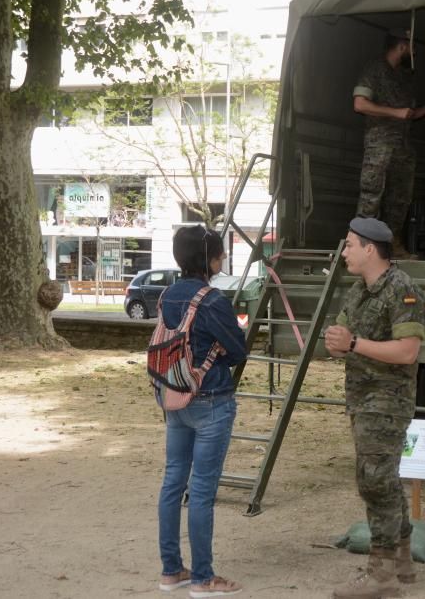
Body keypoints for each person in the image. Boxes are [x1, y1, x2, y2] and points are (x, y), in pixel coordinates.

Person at [325, 217, 425, 599]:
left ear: (370, 249)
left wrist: (353, 345)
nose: (345, 252)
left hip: (388, 399)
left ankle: (380, 575)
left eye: (350, 245)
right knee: (382, 477)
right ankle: (401, 562)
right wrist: (337, 343)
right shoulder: (359, 292)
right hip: (361, 396)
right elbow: (338, 338)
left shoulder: (403, 290)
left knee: (374, 480)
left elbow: (407, 351)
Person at [156, 226, 247, 598]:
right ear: (208, 258)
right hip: (212, 400)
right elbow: (238, 350)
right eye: (220, 253)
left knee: (172, 482)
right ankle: (204, 578)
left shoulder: (167, 295)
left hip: (175, 397)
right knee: (203, 490)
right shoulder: (212, 299)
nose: (223, 259)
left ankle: (171, 570)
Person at [353, 29, 425, 260]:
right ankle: (359, 248)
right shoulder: (374, 69)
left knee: (400, 199)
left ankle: (392, 245)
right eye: (412, 47)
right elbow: (360, 104)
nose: (414, 52)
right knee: (371, 197)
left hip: (402, 147)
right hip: (379, 145)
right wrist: (395, 112)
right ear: (402, 46)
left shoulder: (404, 77)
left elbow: (409, 114)